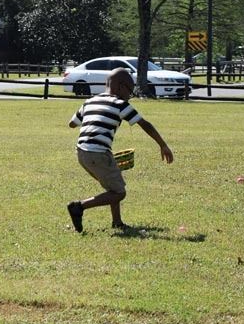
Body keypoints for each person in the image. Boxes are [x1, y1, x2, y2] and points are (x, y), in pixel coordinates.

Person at [67, 67, 173, 233]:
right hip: (98, 152)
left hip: (82, 152)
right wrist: (163, 145)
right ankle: (79, 206)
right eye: (130, 91)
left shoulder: (90, 101)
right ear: (120, 86)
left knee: (113, 187)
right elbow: (144, 124)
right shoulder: (120, 104)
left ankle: (117, 222)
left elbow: (72, 124)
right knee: (119, 193)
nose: (130, 95)